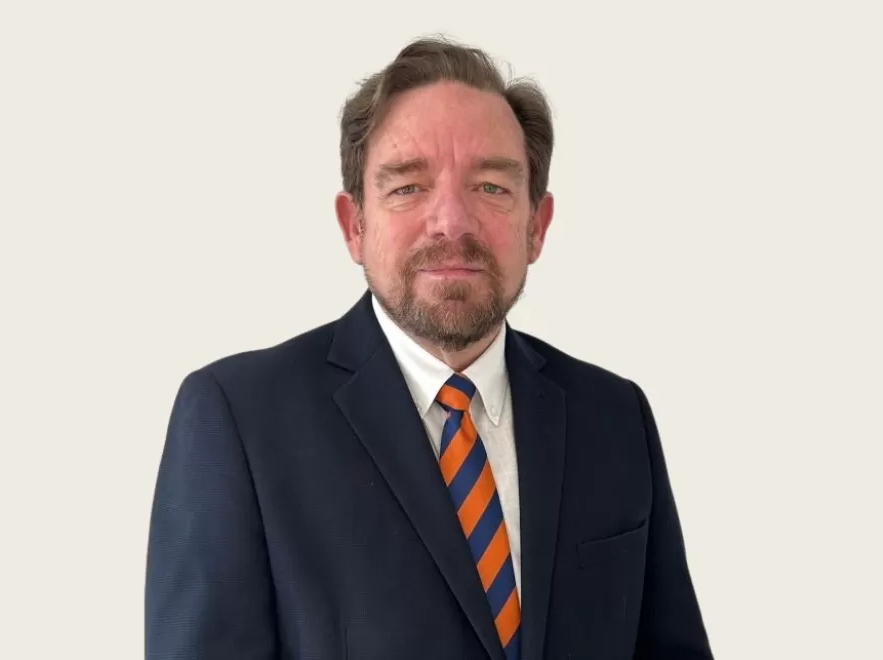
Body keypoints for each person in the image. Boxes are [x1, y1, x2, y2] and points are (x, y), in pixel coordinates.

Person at [144, 36, 714, 660]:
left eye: (491, 187)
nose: (452, 221)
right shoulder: (239, 421)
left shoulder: (616, 417)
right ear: (354, 226)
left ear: (537, 225)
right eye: (408, 187)